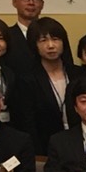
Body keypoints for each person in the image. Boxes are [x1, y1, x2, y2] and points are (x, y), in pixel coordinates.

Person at [15, 16, 74, 154]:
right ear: (34, 45)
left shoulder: (78, 74)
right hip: (45, 147)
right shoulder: (27, 79)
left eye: (55, 39)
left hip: (78, 144)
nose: (50, 45)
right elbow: (27, 123)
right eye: (43, 40)